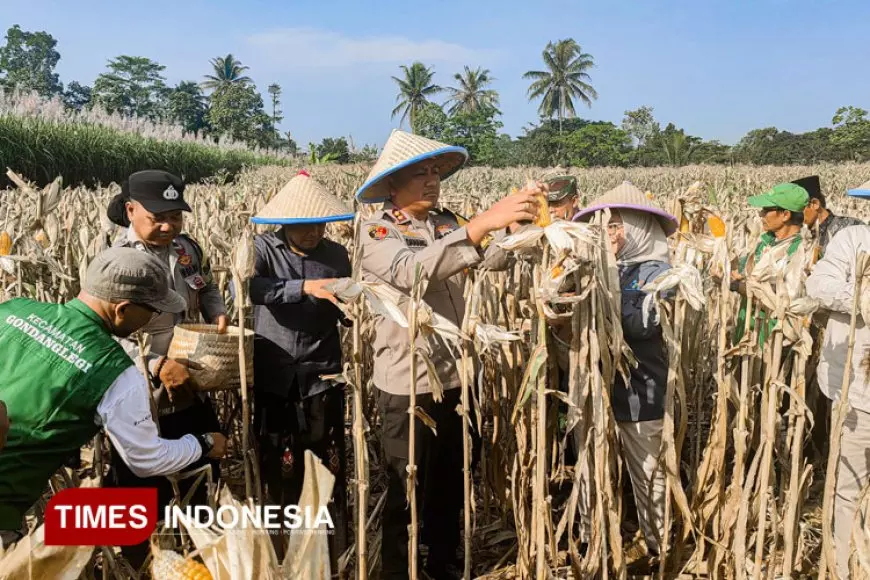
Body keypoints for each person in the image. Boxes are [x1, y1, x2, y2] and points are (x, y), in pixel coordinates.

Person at [357, 129, 541, 580]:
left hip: (458, 379)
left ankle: (444, 565)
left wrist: (517, 230)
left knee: (452, 486)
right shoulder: (377, 228)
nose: (431, 180)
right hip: (409, 383)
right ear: (392, 185)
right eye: (419, 172)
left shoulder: (446, 223)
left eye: (435, 171)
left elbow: (486, 258)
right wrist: (478, 226)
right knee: (407, 492)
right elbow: (409, 273)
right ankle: (399, 572)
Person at [0, 247, 227, 550]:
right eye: (153, 310)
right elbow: (147, 458)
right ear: (122, 309)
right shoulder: (116, 372)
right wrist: (205, 444)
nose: (153, 319)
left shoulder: (13, 311)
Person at [106, 169, 228, 567]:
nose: (166, 225)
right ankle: (140, 566)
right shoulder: (114, 262)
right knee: (141, 495)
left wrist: (218, 312)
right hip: (139, 393)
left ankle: (200, 560)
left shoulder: (187, 249)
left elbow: (206, 285)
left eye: (174, 216)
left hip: (191, 383)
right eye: (156, 216)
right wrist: (155, 364)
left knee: (202, 482)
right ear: (130, 210)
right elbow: (100, 333)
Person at [248, 171, 353, 563]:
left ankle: (329, 545)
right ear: (286, 223)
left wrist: (353, 310)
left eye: (319, 225)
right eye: (304, 226)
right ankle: (279, 544)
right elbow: (251, 288)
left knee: (325, 456)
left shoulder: (336, 254)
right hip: (274, 366)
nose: (313, 233)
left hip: (322, 368)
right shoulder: (263, 248)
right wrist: (304, 288)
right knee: (276, 455)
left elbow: (345, 296)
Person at [572, 181, 677, 568]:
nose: (607, 234)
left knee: (649, 475)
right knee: (589, 469)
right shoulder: (597, 268)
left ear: (638, 227)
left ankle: (658, 550)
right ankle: (590, 540)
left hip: (641, 393)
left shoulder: (658, 272)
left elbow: (643, 326)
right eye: (602, 226)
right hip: (593, 393)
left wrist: (600, 293)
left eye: (615, 225)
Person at [806, 179, 870, 580]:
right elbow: (819, 285)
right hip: (858, 391)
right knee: (848, 485)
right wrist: (861, 297)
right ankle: (845, 566)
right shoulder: (853, 241)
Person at [730, 182, 809, 346]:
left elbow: (784, 303)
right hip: (747, 332)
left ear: (785, 215)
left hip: (774, 338)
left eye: (766, 210)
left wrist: (738, 286)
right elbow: (742, 270)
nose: (760, 214)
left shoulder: (800, 252)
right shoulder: (764, 241)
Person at [795, 175, 863, 258]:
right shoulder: (800, 238)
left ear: (815, 204)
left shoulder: (851, 227)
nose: (793, 216)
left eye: (797, 209)